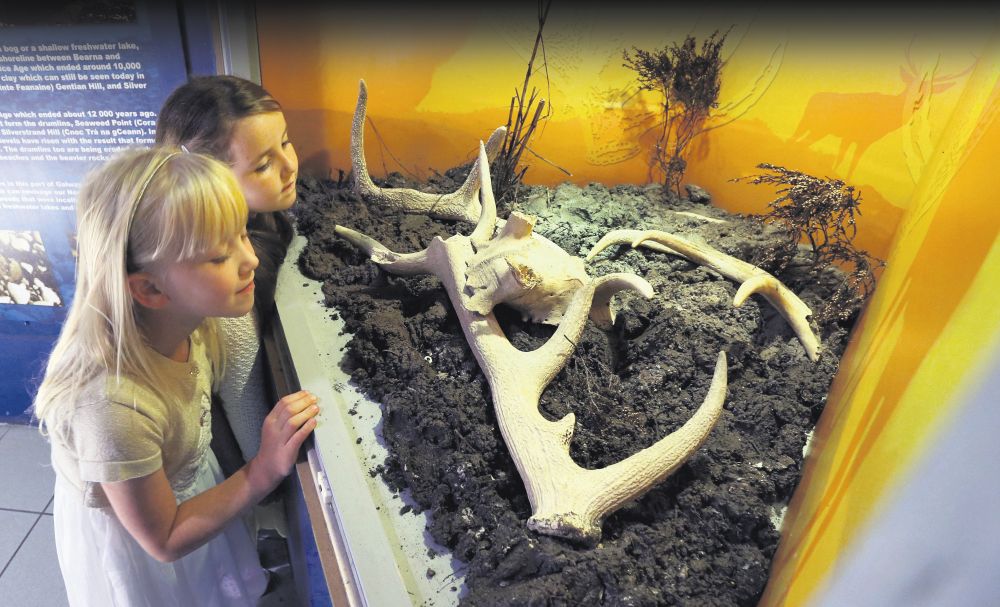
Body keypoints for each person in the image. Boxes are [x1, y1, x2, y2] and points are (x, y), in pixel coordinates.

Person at [32, 146, 319, 606]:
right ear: (149, 288)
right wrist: (263, 470)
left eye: (242, 234)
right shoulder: (113, 408)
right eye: (218, 256)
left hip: (182, 485)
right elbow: (163, 539)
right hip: (150, 547)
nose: (250, 260)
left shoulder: (194, 318)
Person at [155, 76, 298, 476]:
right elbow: (247, 412)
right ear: (206, 179)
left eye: (285, 142)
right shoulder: (223, 293)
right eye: (264, 164)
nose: (290, 166)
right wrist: (265, 479)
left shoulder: (261, 215)